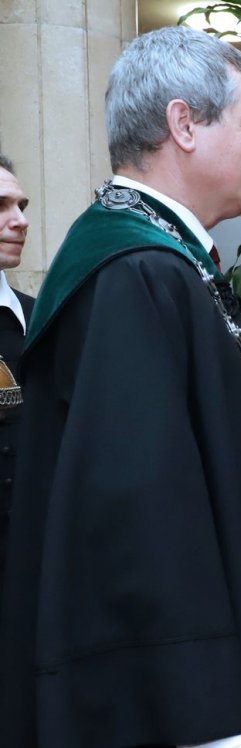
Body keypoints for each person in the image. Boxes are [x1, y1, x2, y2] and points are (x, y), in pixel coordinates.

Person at [0, 27, 241, 748]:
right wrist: (201, 713)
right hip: (170, 731)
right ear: (184, 124)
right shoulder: (135, 273)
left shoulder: (162, 262)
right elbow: (139, 506)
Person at [0, 154, 34, 576]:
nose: (21, 221)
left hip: (28, 567)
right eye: (1, 206)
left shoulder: (45, 319)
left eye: (22, 206)